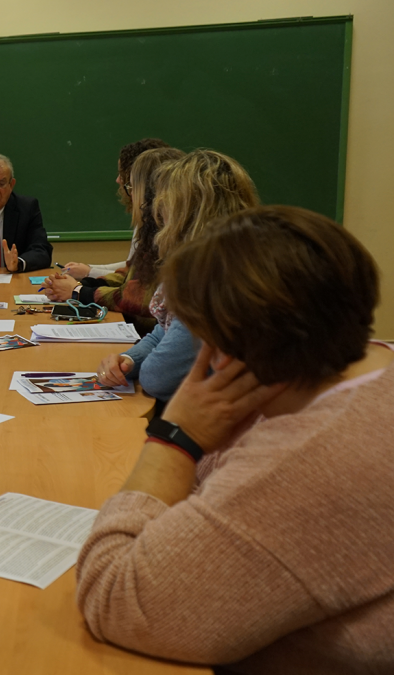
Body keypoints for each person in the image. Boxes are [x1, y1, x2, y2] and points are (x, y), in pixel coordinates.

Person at [76, 205, 394, 674]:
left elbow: (115, 596)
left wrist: (175, 437)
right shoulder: (367, 366)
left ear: (230, 346)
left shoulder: (306, 463)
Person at [95, 150, 259, 402]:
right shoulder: (215, 261)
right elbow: (164, 331)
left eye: (163, 208)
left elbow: (158, 379)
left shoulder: (211, 281)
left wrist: (140, 364)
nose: (158, 218)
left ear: (186, 217)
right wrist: (129, 359)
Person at [44, 147, 185, 331]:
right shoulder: (152, 230)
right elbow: (129, 274)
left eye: (132, 187)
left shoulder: (167, 237)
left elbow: (135, 299)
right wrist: (83, 285)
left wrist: (79, 292)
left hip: (143, 331)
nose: (130, 193)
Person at [59, 138, 171, 280]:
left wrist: (88, 275)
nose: (118, 180)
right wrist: (88, 269)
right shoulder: (145, 216)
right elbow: (132, 266)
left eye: (122, 174)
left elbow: (136, 280)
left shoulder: (159, 223)